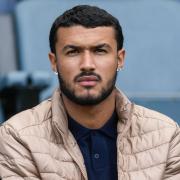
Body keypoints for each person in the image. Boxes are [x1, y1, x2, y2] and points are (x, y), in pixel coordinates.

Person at [0, 5, 180, 180]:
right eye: (73, 52)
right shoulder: (17, 137)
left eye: (100, 51)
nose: (87, 64)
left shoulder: (165, 135)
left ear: (120, 59)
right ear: (54, 62)